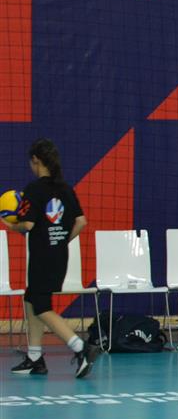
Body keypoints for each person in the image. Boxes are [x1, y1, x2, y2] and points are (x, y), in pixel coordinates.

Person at [5, 139, 96, 378]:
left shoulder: (34, 189)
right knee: (31, 298)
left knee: (42, 306)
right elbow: (81, 222)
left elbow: (27, 225)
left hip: (41, 257)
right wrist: (62, 240)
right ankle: (35, 358)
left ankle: (81, 348)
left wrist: (10, 225)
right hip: (59, 256)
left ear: (36, 160)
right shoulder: (65, 188)